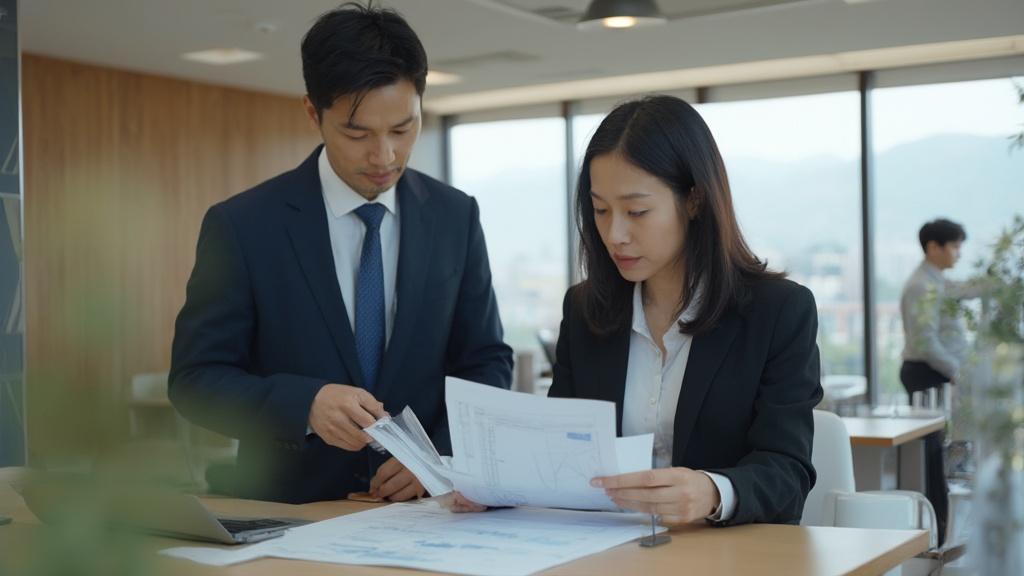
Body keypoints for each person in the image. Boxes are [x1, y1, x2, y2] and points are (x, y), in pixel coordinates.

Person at [169, 2, 513, 504]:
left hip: (427, 511)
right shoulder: (244, 225)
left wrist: (438, 456)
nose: (385, 156)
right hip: (288, 515)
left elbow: (486, 362)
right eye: (358, 133)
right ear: (313, 112)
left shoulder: (454, 216)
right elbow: (195, 381)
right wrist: (303, 404)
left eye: (403, 128)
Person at [547, 95, 822, 525]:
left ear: (694, 200)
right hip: (604, 554)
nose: (615, 233)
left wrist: (714, 492)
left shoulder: (778, 312)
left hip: (725, 559)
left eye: (636, 211)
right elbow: (559, 450)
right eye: (600, 210)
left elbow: (787, 472)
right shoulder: (584, 310)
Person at [900, 217, 978, 545]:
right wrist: (957, 371)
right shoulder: (922, 285)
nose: (958, 253)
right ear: (934, 247)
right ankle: (934, 537)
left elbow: (965, 290)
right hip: (927, 375)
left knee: (936, 459)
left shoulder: (937, 280)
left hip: (935, 374)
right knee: (931, 463)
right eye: (955, 246)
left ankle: (940, 534)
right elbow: (924, 342)